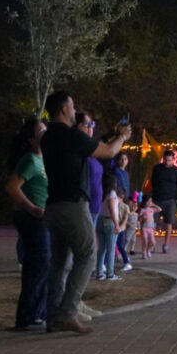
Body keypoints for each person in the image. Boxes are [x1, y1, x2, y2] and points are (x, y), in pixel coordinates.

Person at [41, 91, 131, 334]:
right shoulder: (69, 135)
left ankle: (53, 316)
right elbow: (110, 152)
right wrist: (122, 136)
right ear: (64, 110)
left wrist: (112, 136)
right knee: (88, 255)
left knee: (59, 261)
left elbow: (93, 145)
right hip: (72, 204)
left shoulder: (49, 136)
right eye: (72, 106)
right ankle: (68, 312)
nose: (74, 110)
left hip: (53, 204)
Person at [4, 118, 49, 331]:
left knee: (41, 265)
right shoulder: (30, 160)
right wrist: (31, 208)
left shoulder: (45, 160)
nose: (46, 134)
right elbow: (12, 187)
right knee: (37, 266)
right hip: (32, 219)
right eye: (41, 132)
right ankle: (28, 316)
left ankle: (36, 313)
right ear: (31, 140)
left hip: (42, 219)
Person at [149, 149, 177, 253]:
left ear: (173, 160)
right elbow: (153, 182)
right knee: (153, 223)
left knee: (169, 223)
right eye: (165, 160)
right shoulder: (157, 169)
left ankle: (166, 244)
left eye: (169, 160)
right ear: (163, 159)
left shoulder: (176, 171)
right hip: (157, 200)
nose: (167, 162)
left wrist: (176, 198)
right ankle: (152, 244)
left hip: (170, 200)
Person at [95, 171, 123, 280]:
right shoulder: (112, 194)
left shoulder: (102, 193)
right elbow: (112, 209)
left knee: (101, 248)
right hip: (109, 221)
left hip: (100, 220)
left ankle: (99, 272)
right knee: (110, 249)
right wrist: (117, 224)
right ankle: (110, 273)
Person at [112, 152, 134, 271]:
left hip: (124, 200)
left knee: (122, 227)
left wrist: (129, 199)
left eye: (125, 159)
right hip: (118, 198)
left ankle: (119, 252)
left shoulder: (125, 173)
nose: (123, 161)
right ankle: (117, 252)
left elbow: (127, 187)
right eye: (121, 159)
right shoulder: (116, 171)